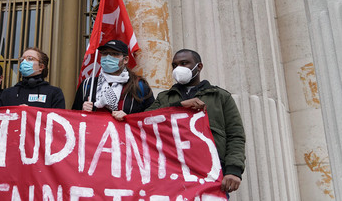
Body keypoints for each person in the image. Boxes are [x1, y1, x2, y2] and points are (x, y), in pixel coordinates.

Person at [146, 48, 246, 195]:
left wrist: (234, 170)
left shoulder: (220, 96)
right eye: (175, 65)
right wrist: (179, 106)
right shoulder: (165, 98)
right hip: (172, 171)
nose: (178, 68)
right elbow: (146, 120)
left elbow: (235, 135)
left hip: (211, 171)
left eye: (184, 63)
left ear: (199, 66)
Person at [71, 40, 153, 120]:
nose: (108, 57)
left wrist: (129, 118)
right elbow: (73, 118)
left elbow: (151, 117)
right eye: (105, 53)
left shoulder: (139, 86)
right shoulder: (88, 84)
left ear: (125, 59)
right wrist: (82, 110)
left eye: (114, 54)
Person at [0, 47, 65, 109]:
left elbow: (58, 119)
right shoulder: (8, 93)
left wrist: (31, 113)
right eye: (22, 59)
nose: (24, 62)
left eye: (30, 59)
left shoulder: (54, 93)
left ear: (41, 67)